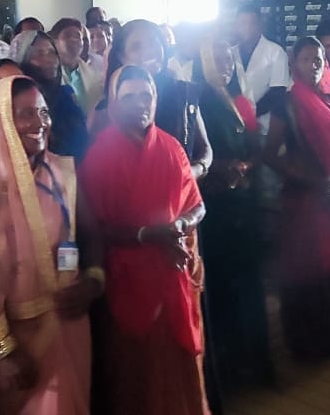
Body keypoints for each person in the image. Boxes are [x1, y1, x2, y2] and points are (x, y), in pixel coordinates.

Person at [0, 76, 100, 414]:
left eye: (43, 112)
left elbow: (91, 234)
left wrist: (93, 279)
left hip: (70, 323)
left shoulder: (63, 173)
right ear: (2, 120)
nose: (39, 123)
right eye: (26, 114)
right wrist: (4, 351)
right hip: (18, 339)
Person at [81, 65, 209, 415]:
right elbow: (95, 228)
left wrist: (180, 224)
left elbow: (197, 205)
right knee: (135, 374)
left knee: (179, 370)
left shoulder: (171, 147)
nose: (140, 103)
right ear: (114, 102)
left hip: (172, 273)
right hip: (128, 282)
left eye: (147, 95)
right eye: (130, 97)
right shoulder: (98, 157)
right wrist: (145, 235)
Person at [266, 37, 330, 362]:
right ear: (294, 64)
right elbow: (270, 154)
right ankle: (306, 345)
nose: (314, 66)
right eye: (306, 60)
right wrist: (312, 181)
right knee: (307, 272)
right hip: (306, 202)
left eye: (318, 59)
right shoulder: (287, 104)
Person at [191, 32, 270, 393]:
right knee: (223, 287)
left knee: (249, 282)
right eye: (216, 57)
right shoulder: (195, 99)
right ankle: (230, 368)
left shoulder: (239, 99)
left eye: (228, 58)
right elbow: (194, 153)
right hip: (216, 205)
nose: (224, 64)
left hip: (244, 200)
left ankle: (255, 362)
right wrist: (223, 168)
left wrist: (245, 165)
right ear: (202, 60)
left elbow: (255, 147)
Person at [97, 20, 213, 178]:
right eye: (136, 46)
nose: (149, 51)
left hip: (184, 188)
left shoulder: (184, 92)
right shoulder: (110, 104)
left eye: (153, 42)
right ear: (121, 56)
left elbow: (205, 148)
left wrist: (194, 171)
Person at [19, 32, 90, 160]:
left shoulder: (66, 95)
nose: (49, 60)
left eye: (52, 53)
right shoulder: (19, 104)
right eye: (39, 54)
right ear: (22, 60)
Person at [231, 6, 288, 127]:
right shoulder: (229, 53)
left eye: (253, 23)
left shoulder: (276, 52)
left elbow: (277, 92)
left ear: (261, 26)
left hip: (265, 124)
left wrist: (250, 115)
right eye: (243, 23)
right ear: (236, 26)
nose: (247, 28)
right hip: (234, 123)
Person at [51, 18, 105, 116]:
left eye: (78, 36)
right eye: (67, 36)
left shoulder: (94, 74)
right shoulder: (51, 75)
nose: (74, 40)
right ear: (55, 42)